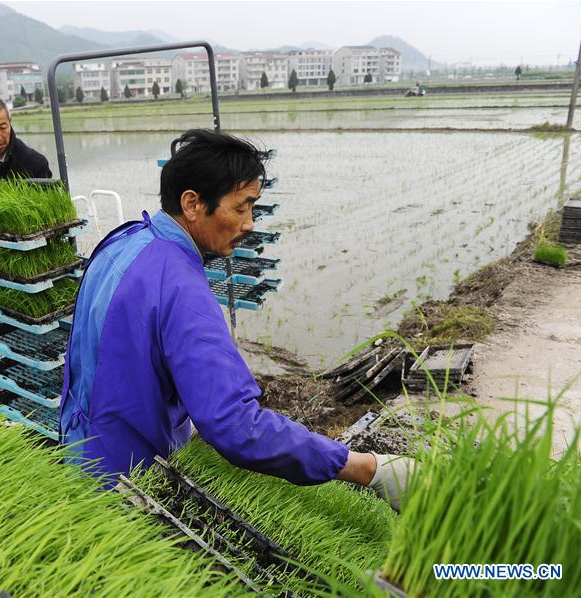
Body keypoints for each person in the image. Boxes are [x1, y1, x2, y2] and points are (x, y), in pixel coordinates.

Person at [60, 129, 414, 511]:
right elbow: (235, 425)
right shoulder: (182, 289)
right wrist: (365, 468)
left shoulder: (124, 240)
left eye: (253, 208)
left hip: (79, 452)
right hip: (126, 485)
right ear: (193, 204)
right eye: (241, 207)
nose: (249, 224)